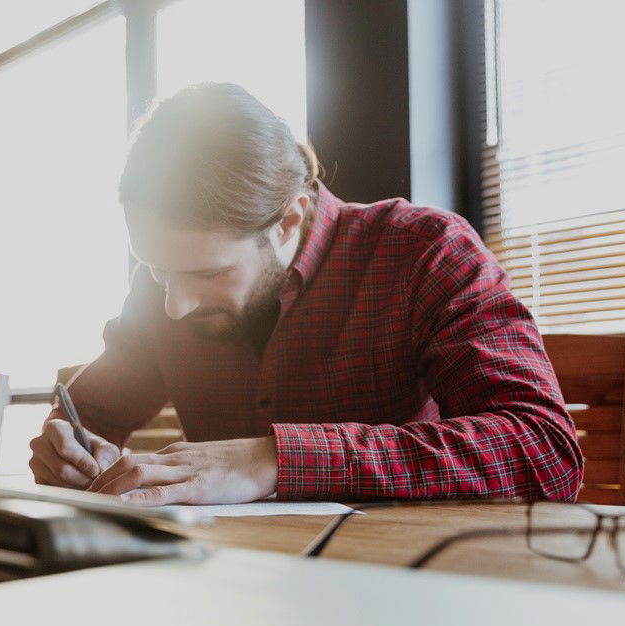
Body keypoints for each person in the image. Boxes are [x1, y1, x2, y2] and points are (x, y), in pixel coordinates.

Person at [29, 82, 582, 506]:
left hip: (403, 591)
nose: (175, 304)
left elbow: (544, 450)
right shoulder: (163, 291)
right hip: (225, 590)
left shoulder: (424, 253)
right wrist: (70, 451)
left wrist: (275, 458)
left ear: (288, 217)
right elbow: (89, 414)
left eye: (207, 274)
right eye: (155, 269)